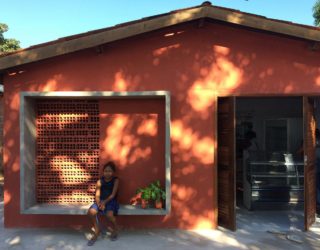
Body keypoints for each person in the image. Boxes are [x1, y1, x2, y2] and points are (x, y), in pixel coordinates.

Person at [87, 161, 120, 246]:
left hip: (111, 201)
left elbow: (113, 195)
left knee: (109, 215)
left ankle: (116, 228)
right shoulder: (99, 181)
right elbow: (97, 195)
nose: (107, 173)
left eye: (109, 171)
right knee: (91, 212)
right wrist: (99, 204)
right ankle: (97, 230)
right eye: (106, 171)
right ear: (103, 171)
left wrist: (104, 203)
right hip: (100, 201)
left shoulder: (115, 180)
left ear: (113, 172)